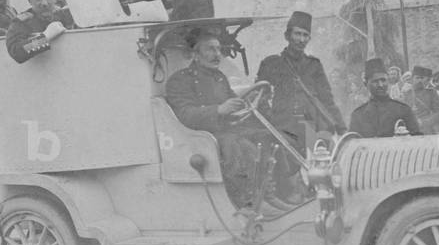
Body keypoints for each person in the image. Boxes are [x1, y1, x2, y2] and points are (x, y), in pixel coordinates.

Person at [165, 30, 265, 209]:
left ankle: (268, 195)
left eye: (218, 49)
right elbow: (185, 114)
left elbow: (233, 103)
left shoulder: (219, 77)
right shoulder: (180, 80)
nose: (217, 54)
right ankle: (244, 204)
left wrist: (247, 101)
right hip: (199, 136)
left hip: (224, 131)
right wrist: (218, 110)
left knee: (265, 137)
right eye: (210, 49)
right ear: (195, 54)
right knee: (237, 146)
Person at [255, 11, 346, 156]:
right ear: (287, 36)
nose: (301, 39)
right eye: (297, 34)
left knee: (329, 160)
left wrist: (342, 129)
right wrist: (271, 121)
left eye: (305, 35)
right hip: (284, 128)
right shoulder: (272, 63)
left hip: (313, 126)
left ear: (309, 38)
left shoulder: (314, 65)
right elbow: (259, 97)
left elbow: (327, 99)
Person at [6, 0, 76, 64]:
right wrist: (45, 37)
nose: (44, 3)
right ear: (29, 0)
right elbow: (16, 52)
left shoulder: (67, 16)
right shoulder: (22, 22)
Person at [348, 58, 422, 138]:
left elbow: (418, 141)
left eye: (383, 80)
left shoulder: (404, 110)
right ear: (366, 84)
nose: (380, 85)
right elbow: (353, 145)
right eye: (375, 81)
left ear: (388, 81)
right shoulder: (358, 115)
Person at [408, 65, 439, 134]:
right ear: (412, 79)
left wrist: (424, 122)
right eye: (417, 78)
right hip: (412, 130)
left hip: (429, 130)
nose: (420, 80)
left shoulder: (431, 93)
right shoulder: (407, 94)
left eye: (421, 78)